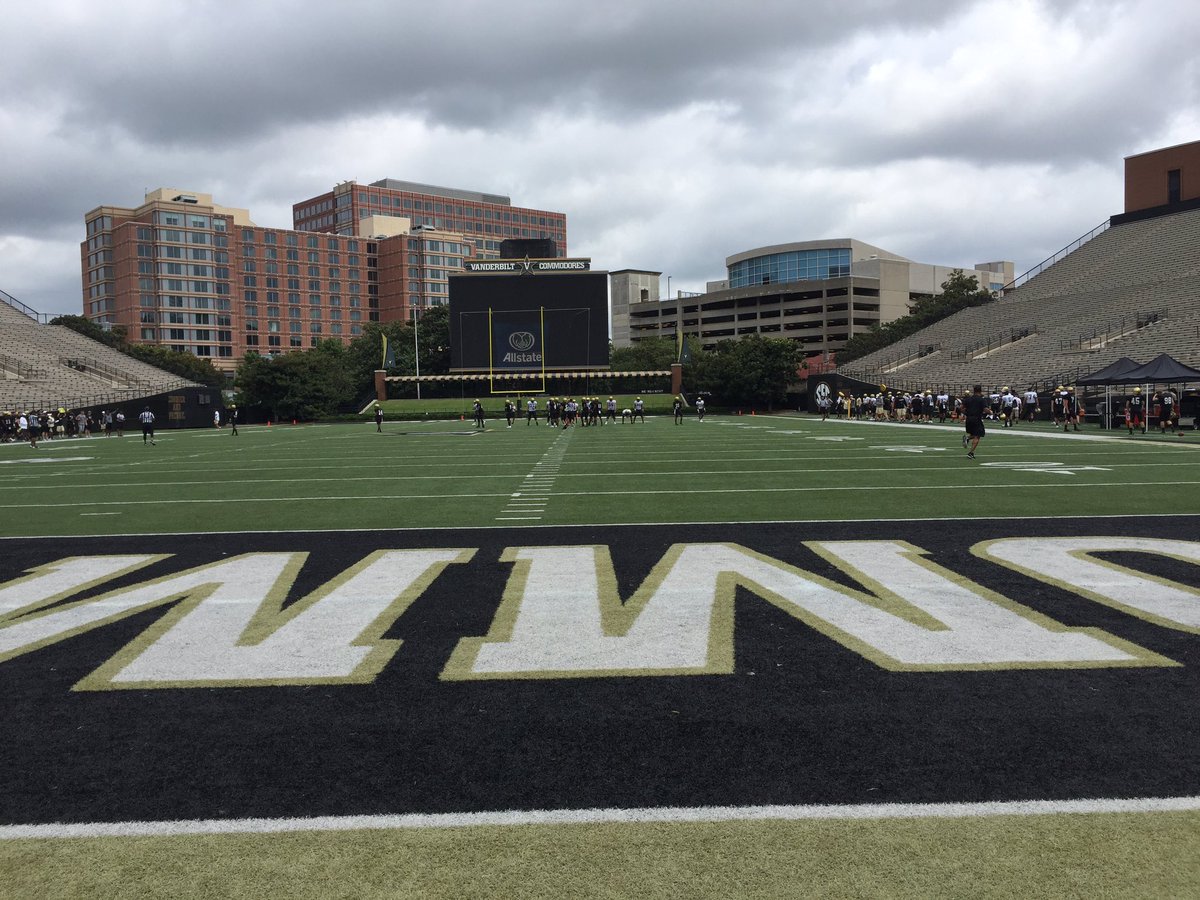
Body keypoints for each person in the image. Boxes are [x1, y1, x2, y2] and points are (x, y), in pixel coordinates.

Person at [962, 384, 987, 460]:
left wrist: (966, 413)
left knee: (974, 434)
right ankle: (971, 453)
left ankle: (967, 438)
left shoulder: (968, 399)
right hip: (976, 418)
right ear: (980, 390)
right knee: (978, 435)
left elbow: (961, 408)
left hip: (969, 418)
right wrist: (991, 412)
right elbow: (985, 409)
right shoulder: (981, 399)